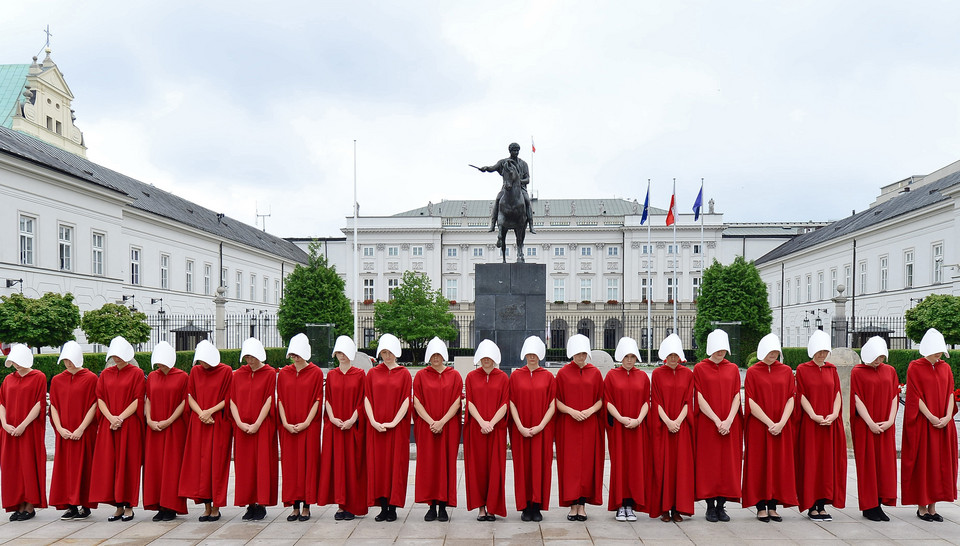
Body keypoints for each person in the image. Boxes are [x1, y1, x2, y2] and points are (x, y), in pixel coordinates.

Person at [902, 328, 958, 522]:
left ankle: (933, 507)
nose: (939, 354)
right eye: (936, 351)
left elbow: (951, 392)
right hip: (924, 424)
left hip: (944, 423)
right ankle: (922, 508)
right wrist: (931, 417)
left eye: (940, 351)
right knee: (925, 463)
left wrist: (948, 415)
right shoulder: (915, 367)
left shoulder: (945, 368)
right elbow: (914, 396)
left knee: (939, 463)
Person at [742, 333, 798, 522]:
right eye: (770, 351)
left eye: (776, 351)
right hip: (759, 426)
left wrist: (781, 422)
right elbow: (750, 400)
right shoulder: (752, 372)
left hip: (781, 426)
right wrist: (769, 422)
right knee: (760, 464)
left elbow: (791, 397)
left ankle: (773, 505)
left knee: (778, 464)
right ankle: (760, 506)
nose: (773, 354)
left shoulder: (786, 371)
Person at [90, 337, 145, 522]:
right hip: (109, 424)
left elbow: (138, 399)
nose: (117, 358)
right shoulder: (105, 374)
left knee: (128, 464)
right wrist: (111, 418)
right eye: (114, 355)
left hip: (129, 425)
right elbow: (100, 398)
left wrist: (120, 417)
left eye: (120, 355)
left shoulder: (137, 373)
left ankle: (129, 506)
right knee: (111, 464)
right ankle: (118, 506)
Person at [179, 340, 232, 522]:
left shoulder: (225, 371)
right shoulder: (195, 371)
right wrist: (201, 412)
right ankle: (206, 506)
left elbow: (229, 398)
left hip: (218, 422)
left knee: (216, 464)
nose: (202, 364)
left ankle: (216, 507)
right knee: (200, 465)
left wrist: (210, 411)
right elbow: (190, 396)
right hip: (200, 421)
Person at [795, 330, 847, 521]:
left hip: (829, 424)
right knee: (813, 463)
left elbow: (837, 393)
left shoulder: (831, 369)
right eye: (819, 351)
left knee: (827, 464)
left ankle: (822, 504)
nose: (822, 355)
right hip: (812, 424)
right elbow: (801, 395)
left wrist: (834, 414)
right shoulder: (802, 369)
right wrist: (814, 416)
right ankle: (811, 505)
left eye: (825, 351)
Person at [693, 330, 742, 523]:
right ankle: (710, 507)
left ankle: (722, 506)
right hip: (708, 424)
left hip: (729, 423)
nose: (720, 352)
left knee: (727, 465)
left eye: (723, 349)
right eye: (717, 349)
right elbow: (699, 396)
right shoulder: (700, 368)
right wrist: (716, 420)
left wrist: (729, 419)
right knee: (709, 465)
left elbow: (737, 395)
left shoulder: (732, 368)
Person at [555, 333, 604, 521]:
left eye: (583, 353)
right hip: (570, 425)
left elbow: (601, 399)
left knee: (586, 465)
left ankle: (582, 505)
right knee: (571, 464)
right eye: (577, 353)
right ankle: (572, 504)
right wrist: (570, 411)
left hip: (589, 424)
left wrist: (591, 410)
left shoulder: (595, 373)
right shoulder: (563, 373)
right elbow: (556, 400)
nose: (580, 357)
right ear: (571, 353)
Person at [413, 337, 462, 522]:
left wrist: (442, 422)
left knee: (445, 464)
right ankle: (431, 506)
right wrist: (431, 422)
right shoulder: (421, 375)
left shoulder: (454, 375)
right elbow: (416, 401)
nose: (436, 358)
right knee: (429, 465)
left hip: (448, 428)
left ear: (444, 356)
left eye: (439, 355)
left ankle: (443, 507)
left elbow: (457, 401)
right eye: (433, 355)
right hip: (427, 428)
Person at [318, 336, 367, 521]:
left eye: (345, 353)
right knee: (338, 466)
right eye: (339, 353)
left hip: (353, 427)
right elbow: (328, 399)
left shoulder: (360, 374)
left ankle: (352, 505)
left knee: (353, 465)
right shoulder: (331, 375)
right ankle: (341, 504)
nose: (342, 356)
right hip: (337, 427)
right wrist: (333, 418)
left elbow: (363, 398)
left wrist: (353, 419)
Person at [364, 333, 412, 522]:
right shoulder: (373, 373)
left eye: (389, 352)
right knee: (379, 467)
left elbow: (407, 399)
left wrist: (394, 422)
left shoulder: (404, 374)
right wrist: (373, 421)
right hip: (376, 428)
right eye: (383, 352)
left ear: (396, 352)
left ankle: (393, 507)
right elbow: (367, 398)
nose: (387, 355)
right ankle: (382, 506)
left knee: (395, 466)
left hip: (396, 428)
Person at [850, 336, 898, 522]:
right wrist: (869, 422)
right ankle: (870, 506)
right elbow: (856, 397)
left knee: (884, 465)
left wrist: (890, 420)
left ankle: (879, 502)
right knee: (868, 465)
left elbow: (894, 396)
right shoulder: (858, 371)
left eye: (881, 357)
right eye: (875, 357)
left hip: (886, 425)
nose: (879, 361)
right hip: (865, 425)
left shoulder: (890, 371)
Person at [230, 338, 278, 521]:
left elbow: (269, 399)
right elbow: (232, 400)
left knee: (262, 464)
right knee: (245, 466)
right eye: (247, 357)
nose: (249, 361)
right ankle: (249, 503)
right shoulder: (238, 374)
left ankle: (261, 503)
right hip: (242, 427)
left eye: (252, 357)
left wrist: (258, 422)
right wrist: (240, 423)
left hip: (262, 425)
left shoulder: (269, 373)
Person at [49, 341, 98, 520]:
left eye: (71, 360)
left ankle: (85, 505)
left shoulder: (91, 378)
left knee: (84, 466)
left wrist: (81, 428)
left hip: (83, 431)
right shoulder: (57, 380)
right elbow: (53, 405)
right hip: (64, 433)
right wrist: (60, 428)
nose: (68, 364)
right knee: (65, 469)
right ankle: (70, 505)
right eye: (65, 360)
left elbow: (94, 404)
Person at [509, 335, 556, 522]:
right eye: (529, 354)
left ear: (540, 355)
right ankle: (525, 506)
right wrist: (519, 426)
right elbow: (511, 402)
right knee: (523, 468)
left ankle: (537, 506)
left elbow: (552, 404)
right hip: (520, 430)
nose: (532, 357)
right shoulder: (515, 376)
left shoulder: (548, 377)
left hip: (541, 430)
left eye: (535, 354)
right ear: (524, 355)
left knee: (540, 467)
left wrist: (540, 426)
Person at [649, 333, 695, 522]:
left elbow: (688, 401)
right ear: (665, 356)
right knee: (664, 466)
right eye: (671, 355)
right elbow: (656, 400)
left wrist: (678, 421)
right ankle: (665, 508)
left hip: (681, 427)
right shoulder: (657, 374)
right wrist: (668, 421)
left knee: (680, 468)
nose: (674, 359)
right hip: (664, 427)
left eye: (676, 355)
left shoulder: (688, 374)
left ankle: (678, 508)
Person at [277, 333, 322, 521]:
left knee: (308, 465)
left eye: (298, 354)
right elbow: (280, 399)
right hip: (288, 427)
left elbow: (317, 399)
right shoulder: (284, 373)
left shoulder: (316, 373)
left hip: (308, 426)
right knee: (290, 466)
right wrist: (285, 422)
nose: (295, 358)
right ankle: (293, 505)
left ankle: (306, 505)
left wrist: (306, 422)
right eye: (292, 355)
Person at [605, 337, 650, 522]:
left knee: (635, 465)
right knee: (620, 464)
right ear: (620, 357)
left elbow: (647, 401)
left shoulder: (643, 377)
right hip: (620, 428)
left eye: (632, 356)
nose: (629, 360)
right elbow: (607, 400)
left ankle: (631, 505)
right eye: (626, 356)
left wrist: (639, 419)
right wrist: (621, 418)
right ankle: (620, 505)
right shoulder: (611, 376)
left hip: (637, 428)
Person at [0, 344, 47, 521]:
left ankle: (29, 505)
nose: (16, 365)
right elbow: (2, 403)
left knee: (28, 464)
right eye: (13, 362)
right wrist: (4, 424)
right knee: (12, 467)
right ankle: (17, 503)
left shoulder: (38, 377)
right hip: (9, 430)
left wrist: (24, 425)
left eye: (18, 361)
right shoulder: (8, 380)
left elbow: (39, 403)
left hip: (29, 430)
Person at [143, 341, 188, 521]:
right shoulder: (153, 376)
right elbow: (148, 399)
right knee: (155, 466)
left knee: (172, 466)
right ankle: (158, 504)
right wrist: (149, 420)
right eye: (158, 363)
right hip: (154, 427)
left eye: (162, 362)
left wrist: (169, 420)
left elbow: (184, 401)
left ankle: (171, 506)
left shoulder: (183, 376)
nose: (160, 366)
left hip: (174, 427)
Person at [464, 339, 509, 521]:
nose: (486, 360)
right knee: (478, 468)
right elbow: (470, 402)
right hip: (477, 429)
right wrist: (482, 422)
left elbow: (505, 403)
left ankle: (493, 507)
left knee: (495, 468)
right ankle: (481, 507)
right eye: (483, 357)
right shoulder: (471, 377)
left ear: (494, 358)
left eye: (489, 357)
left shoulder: (503, 377)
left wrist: (491, 423)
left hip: (496, 430)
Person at [478, 142, 535, 233]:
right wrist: (486, 168)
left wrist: (519, 182)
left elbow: (527, 179)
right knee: (497, 199)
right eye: (514, 151)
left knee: (527, 201)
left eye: (517, 151)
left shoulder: (523, 164)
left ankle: (531, 225)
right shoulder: (503, 162)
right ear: (510, 151)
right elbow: (493, 168)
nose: (516, 152)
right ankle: (493, 224)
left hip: (520, 189)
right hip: (506, 189)